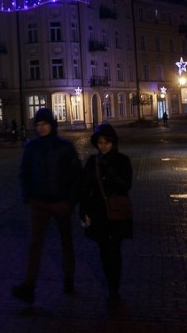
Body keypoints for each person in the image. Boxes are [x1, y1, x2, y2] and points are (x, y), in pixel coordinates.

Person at [11, 107, 82, 305]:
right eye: (39, 125)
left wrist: (70, 201)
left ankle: (68, 277)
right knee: (35, 244)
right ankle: (29, 286)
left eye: (45, 124)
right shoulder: (32, 147)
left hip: (61, 202)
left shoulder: (64, 147)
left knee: (66, 242)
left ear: (52, 125)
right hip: (39, 203)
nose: (42, 128)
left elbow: (76, 175)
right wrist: (28, 196)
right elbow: (24, 172)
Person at [78, 123, 133, 304]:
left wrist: (108, 169)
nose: (103, 146)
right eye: (100, 142)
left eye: (107, 142)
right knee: (103, 251)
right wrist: (83, 211)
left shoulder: (122, 160)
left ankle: (114, 288)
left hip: (116, 213)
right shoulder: (92, 162)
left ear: (113, 143)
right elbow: (84, 189)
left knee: (115, 251)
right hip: (99, 213)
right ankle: (110, 284)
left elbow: (126, 185)